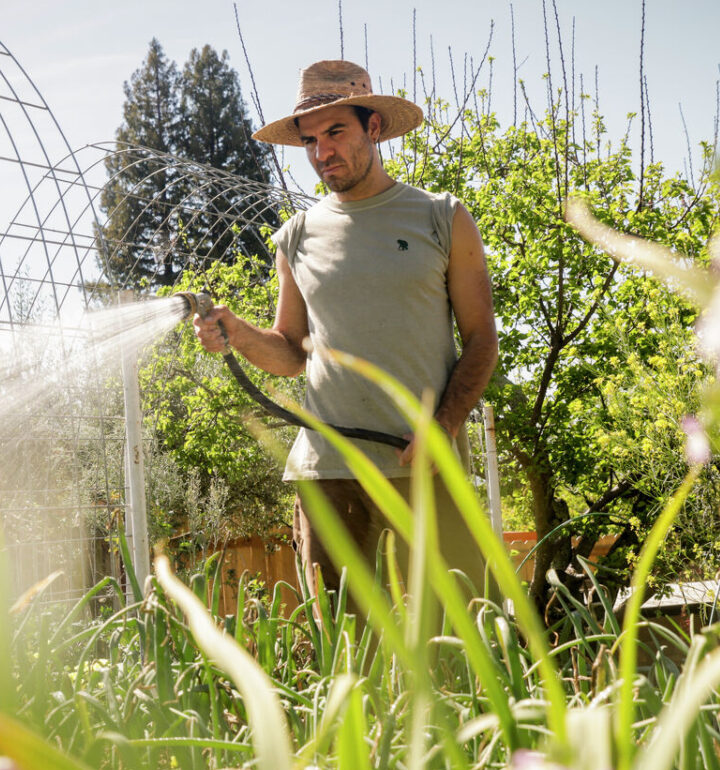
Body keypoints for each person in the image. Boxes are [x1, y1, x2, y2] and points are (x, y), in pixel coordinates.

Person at [191, 59, 500, 594]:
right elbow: (292, 352)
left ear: (373, 127)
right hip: (329, 476)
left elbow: (482, 340)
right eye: (310, 140)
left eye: (335, 132)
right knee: (347, 656)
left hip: (423, 470)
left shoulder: (441, 217)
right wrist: (236, 332)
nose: (321, 153)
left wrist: (444, 425)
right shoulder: (297, 235)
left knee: (455, 648)